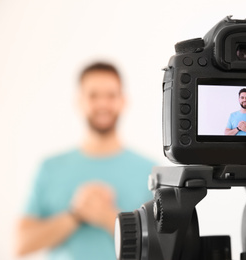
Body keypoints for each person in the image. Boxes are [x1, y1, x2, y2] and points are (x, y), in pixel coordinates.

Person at [16, 62, 155, 260]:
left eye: (111, 95)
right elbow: (21, 244)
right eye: (93, 95)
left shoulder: (149, 171)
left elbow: (162, 248)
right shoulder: (50, 168)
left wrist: (107, 216)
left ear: (123, 101)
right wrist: (75, 214)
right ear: (79, 101)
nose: (102, 104)